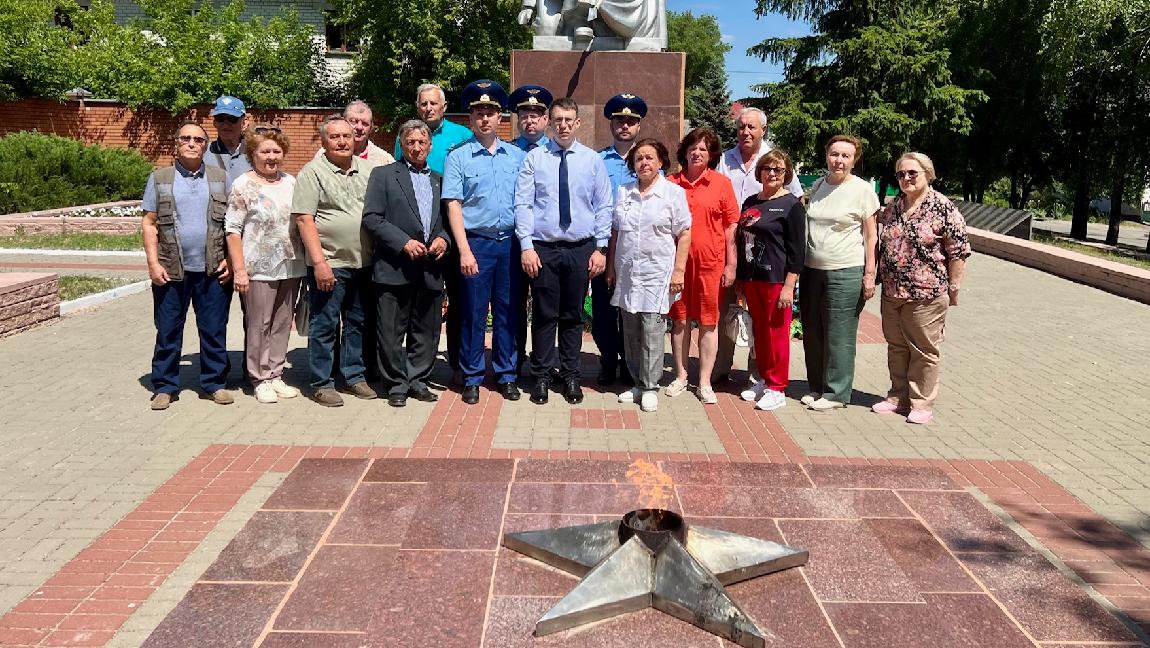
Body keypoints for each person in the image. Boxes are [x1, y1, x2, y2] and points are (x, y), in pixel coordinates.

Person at [515, 97, 613, 405]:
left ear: (578, 123)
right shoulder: (535, 159)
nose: (564, 126)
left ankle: (571, 375)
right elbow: (523, 204)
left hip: (580, 248)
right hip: (544, 247)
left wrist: (600, 248)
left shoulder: (591, 160)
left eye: (569, 120)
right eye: (558, 120)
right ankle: (542, 376)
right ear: (550, 121)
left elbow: (603, 205)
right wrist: (527, 246)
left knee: (572, 315)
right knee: (544, 315)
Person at [443, 80, 526, 405]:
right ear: (470, 119)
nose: (485, 118)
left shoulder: (517, 156)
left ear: (501, 117)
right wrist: (463, 249)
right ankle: (473, 376)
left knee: (508, 313)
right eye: (479, 113)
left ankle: (506, 374)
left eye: (491, 112)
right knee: (474, 314)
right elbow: (453, 205)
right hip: (476, 244)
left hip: (510, 245)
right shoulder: (459, 157)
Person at [142, 121, 234, 410]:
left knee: (214, 330)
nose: (192, 143)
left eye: (198, 139)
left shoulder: (220, 177)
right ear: (176, 144)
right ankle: (165, 386)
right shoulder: (160, 178)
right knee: (168, 329)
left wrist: (230, 259)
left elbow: (233, 223)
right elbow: (149, 223)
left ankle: (214, 383)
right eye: (186, 138)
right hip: (171, 270)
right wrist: (153, 263)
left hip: (212, 269)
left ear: (205, 146)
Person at [873, 152, 970, 424]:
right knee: (896, 346)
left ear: (928, 174)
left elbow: (958, 250)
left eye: (912, 173)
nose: (906, 179)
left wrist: (954, 286)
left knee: (924, 350)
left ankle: (922, 403)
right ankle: (897, 396)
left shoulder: (943, 207)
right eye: (901, 174)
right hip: (892, 292)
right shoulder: (894, 207)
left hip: (926, 293)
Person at [362, 120, 452, 408]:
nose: (416, 147)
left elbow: (452, 220)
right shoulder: (384, 175)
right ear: (402, 145)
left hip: (430, 267)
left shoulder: (441, 178)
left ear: (430, 146)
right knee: (390, 330)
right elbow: (372, 217)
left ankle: (418, 380)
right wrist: (403, 242)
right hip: (395, 265)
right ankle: (396, 383)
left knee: (426, 329)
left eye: (421, 142)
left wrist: (445, 240)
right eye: (410, 142)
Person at [713, 107, 803, 385]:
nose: (746, 132)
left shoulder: (775, 160)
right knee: (727, 311)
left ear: (763, 129)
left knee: (766, 322)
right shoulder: (724, 160)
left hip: (770, 255)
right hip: (733, 247)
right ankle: (721, 365)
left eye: (752, 127)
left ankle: (760, 373)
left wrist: (791, 279)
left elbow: (795, 202)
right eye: (741, 127)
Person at [292, 115, 376, 407]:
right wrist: (319, 263)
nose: (342, 141)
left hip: (364, 263)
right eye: (335, 137)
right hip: (330, 262)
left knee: (357, 322)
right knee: (325, 324)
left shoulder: (368, 170)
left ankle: (354, 376)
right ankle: (321, 382)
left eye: (347, 136)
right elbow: (304, 219)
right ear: (324, 141)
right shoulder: (312, 172)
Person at [607, 138, 691, 413]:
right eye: (639, 158)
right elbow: (616, 233)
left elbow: (684, 232)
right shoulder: (624, 192)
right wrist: (611, 266)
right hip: (628, 271)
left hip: (657, 273)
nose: (644, 163)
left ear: (661, 162)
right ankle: (637, 382)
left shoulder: (672, 193)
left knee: (652, 328)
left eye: (649, 158)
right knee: (630, 329)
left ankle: (651, 386)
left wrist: (679, 269)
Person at [224, 124, 305, 404]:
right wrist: (240, 269)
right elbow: (233, 229)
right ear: (253, 154)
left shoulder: (292, 183)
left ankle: (276, 373)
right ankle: (258, 377)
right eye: (265, 151)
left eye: (276, 151)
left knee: (283, 322)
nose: (271, 156)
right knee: (259, 323)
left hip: (291, 265)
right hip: (257, 268)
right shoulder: (243, 185)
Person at [800, 134, 880, 411]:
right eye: (835, 154)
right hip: (812, 269)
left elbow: (871, 235)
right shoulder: (820, 185)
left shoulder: (861, 190)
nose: (839, 160)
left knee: (839, 334)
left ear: (854, 160)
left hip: (845, 270)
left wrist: (870, 273)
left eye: (846, 156)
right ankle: (817, 386)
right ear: (826, 155)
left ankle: (836, 393)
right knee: (813, 331)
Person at [665, 128, 740, 405]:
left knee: (709, 323)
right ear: (684, 152)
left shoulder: (721, 184)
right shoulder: (671, 183)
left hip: (710, 264)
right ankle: (681, 376)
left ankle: (705, 381)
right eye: (693, 148)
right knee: (680, 321)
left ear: (712, 156)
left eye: (704, 149)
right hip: (678, 266)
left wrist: (731, 265)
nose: (697, 153)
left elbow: (732, 227)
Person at [735, 150, 806, 411]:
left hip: (777, 279)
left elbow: (798, 251)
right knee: (760, 333)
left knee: (777, 334)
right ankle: (765, 379)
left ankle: (778, 388)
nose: (772, 174)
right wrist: (741, 279)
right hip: (753, 277)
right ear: (759, 172)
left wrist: (790, 285)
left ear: (786, 174)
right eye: (767, 169)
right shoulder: (751, 201)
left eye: (778, 170)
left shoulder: (791, 205)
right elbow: (742, 239)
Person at [592, 93, 647, 387]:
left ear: (638, 125)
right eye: (619, 120)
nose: (625, 125)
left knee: (632, 311)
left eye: (631, 121)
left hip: (636, 251)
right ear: (611, 124)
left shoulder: (650, 161)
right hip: (604, 247)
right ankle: (607, 361)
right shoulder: (596, 161)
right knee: (602, 312)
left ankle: (630, 363)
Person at [508, 84, 554, 376]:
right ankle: (513, 361)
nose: (530, 120)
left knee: (545, 307)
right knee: (513, 304)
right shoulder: (507, 151)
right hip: (512, 242)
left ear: (547, 119)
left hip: (546, 243)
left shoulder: (556, 153)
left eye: (536, 114)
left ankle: (543, 363)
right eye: (524, 114)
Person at [393, 83, 472, 174]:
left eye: (433, 103)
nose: (428, 108)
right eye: (424, 104)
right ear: (417, 107)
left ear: (444, 106)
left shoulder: (463, 135)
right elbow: (398, 170)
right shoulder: (405, 136)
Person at [315, 100, 395, 169]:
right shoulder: (324, 155)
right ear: (344, 122)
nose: (359, 127)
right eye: (353, 121)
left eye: (365, 123)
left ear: (371, 128)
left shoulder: (385, 161)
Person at [204, 95, 251, 192]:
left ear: (244, 122)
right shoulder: (203, 152)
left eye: (232, 118)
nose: (225, 124)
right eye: (220, 118)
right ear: (214, 122)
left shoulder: (255, 152)